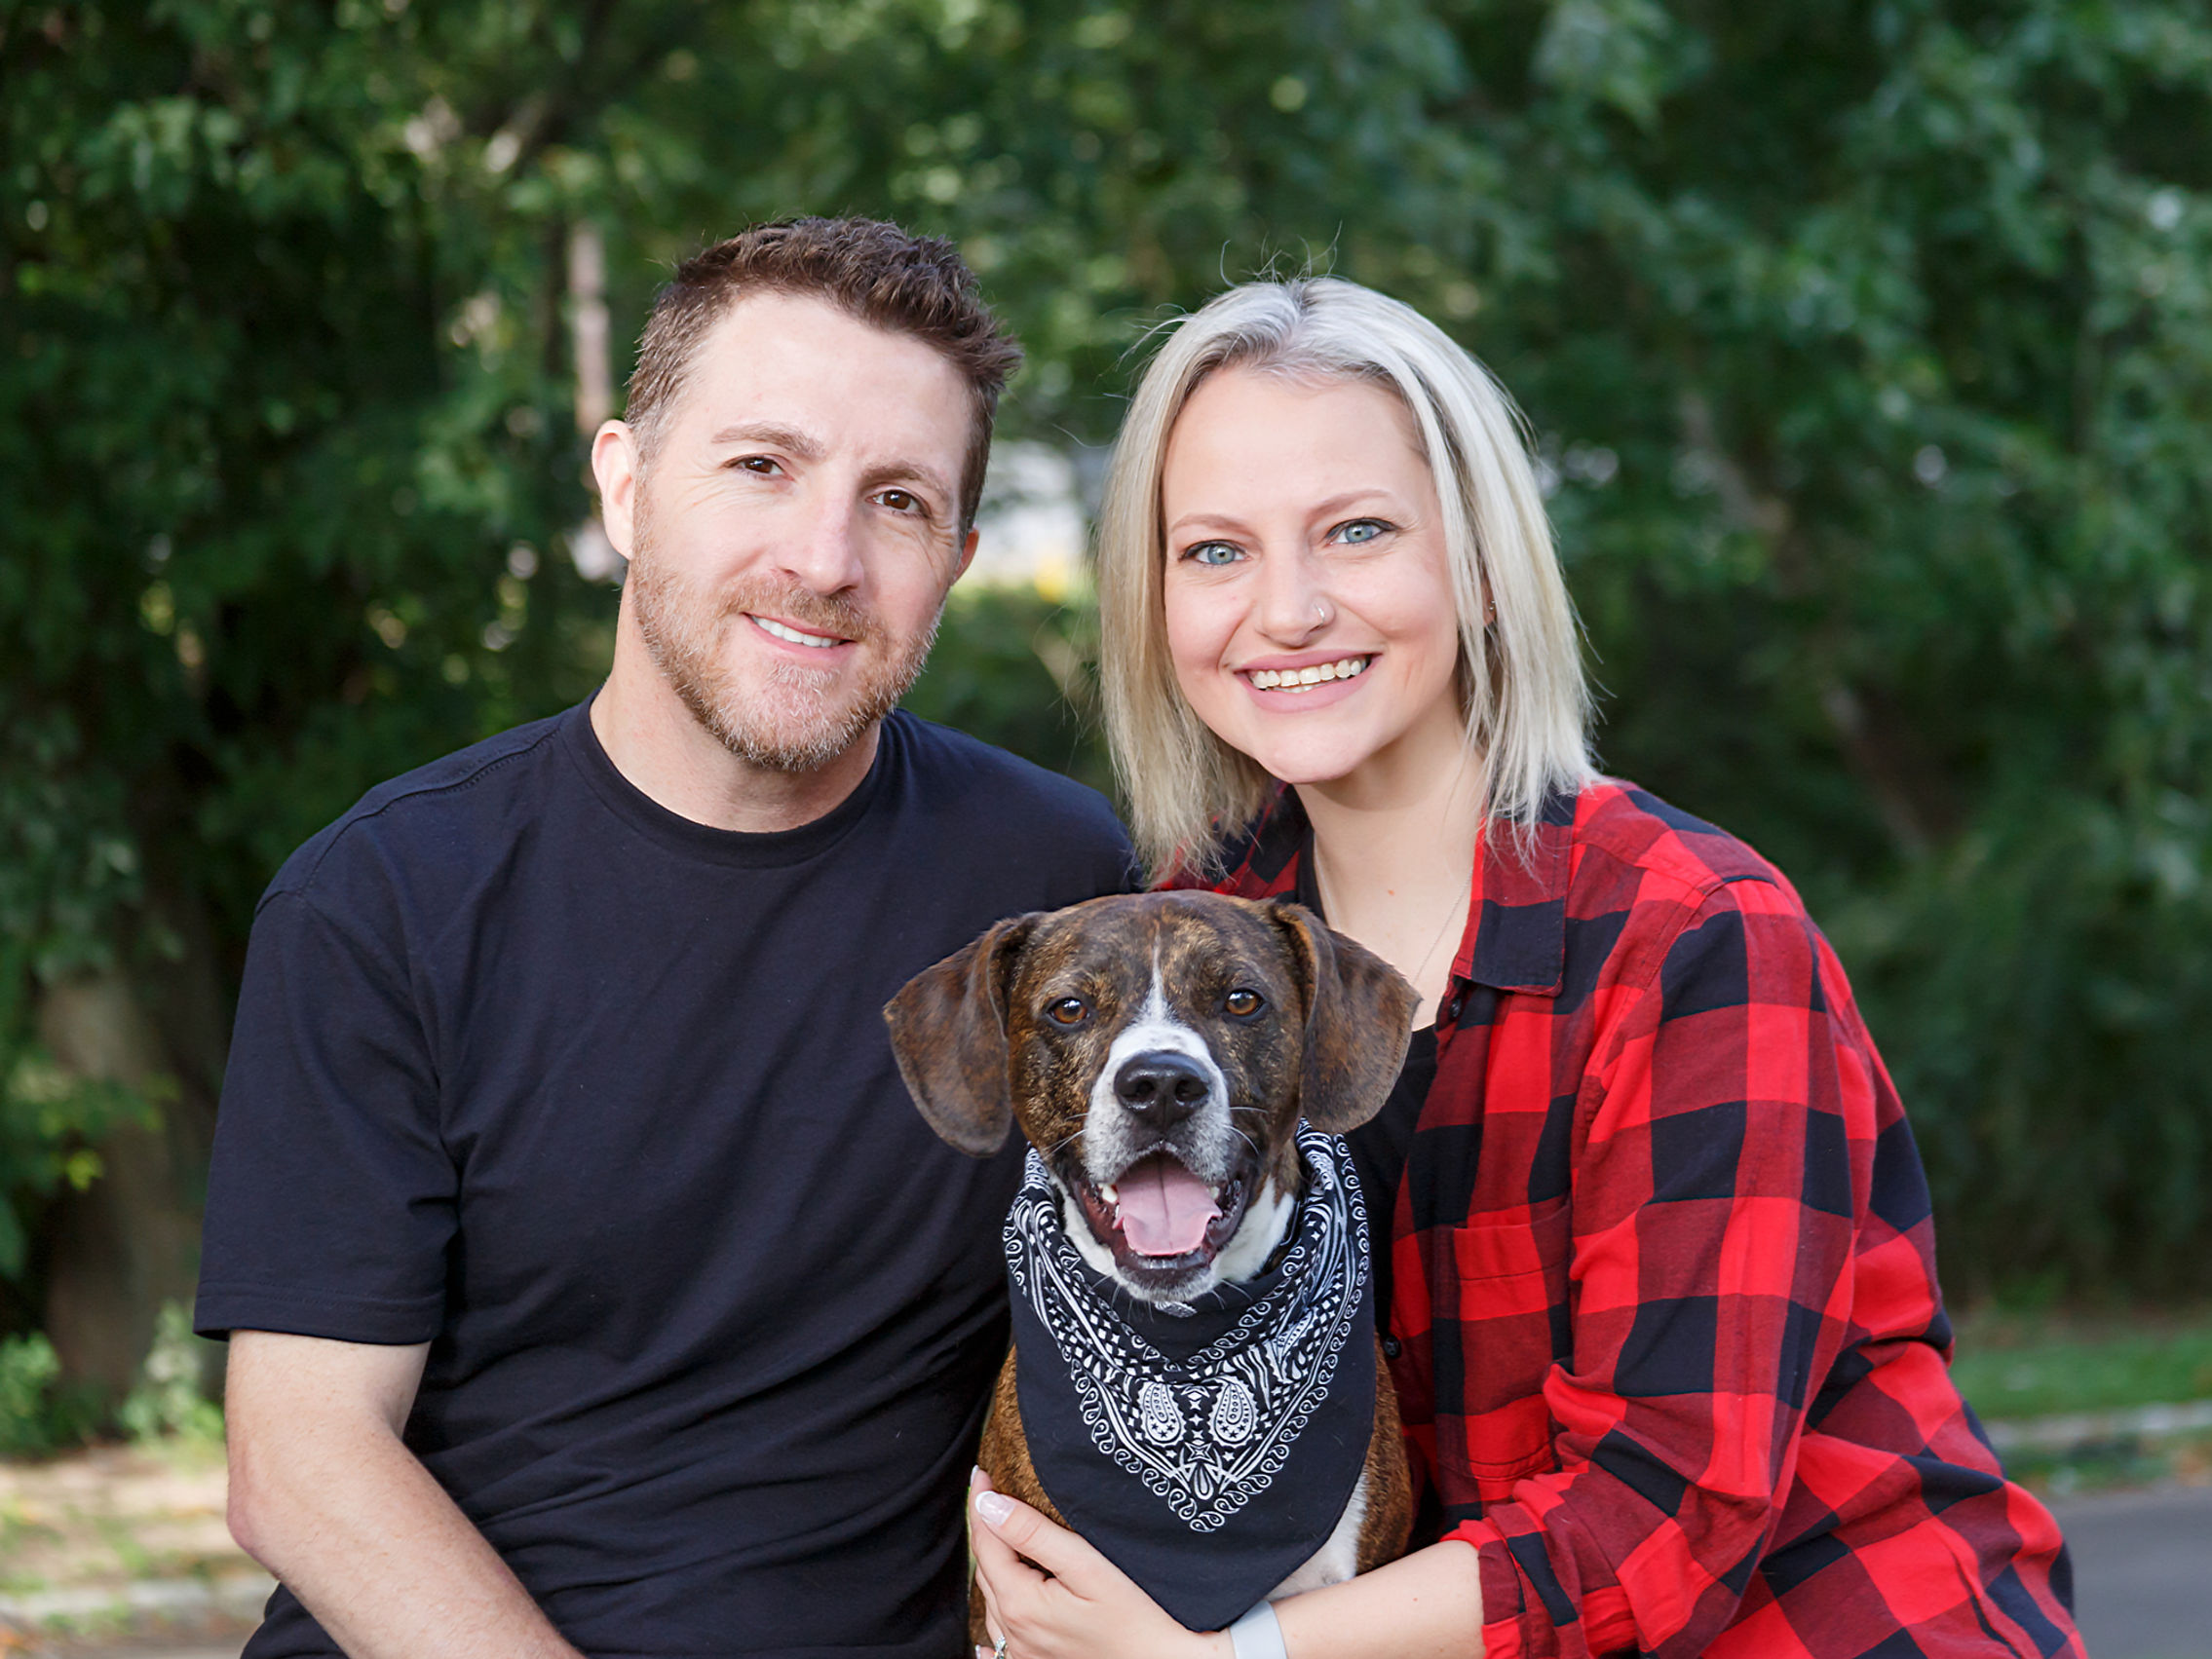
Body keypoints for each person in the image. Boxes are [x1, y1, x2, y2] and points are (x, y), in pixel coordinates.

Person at [963, 277, 2081, 1659]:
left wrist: (1229, 1657)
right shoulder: (1199, 944)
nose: (1288, 609)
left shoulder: (1693, 934)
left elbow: (1670, 1508)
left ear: (1481, 568)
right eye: (1213, 552)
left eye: (1356, 531)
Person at [194, 217, 1132, 1659]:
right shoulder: (385, 901)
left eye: (896, 500)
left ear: (956, 553)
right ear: (626, 488)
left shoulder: (1060, 893)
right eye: (760, 466)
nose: (823, 559)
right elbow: (304, 1462)